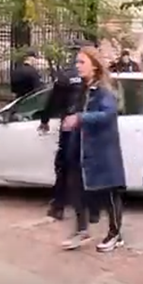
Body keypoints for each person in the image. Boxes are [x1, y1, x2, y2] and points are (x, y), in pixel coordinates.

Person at [60, 46, 126, 252]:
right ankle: (82, 230)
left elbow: (108, 114)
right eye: (76, 62)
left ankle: (115, 233)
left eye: (82, 62)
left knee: (109, 192)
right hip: (81, 148)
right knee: (77, 189)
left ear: (95, 66)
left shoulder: (103, 90)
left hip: (101, 149)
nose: (77, 66)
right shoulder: (82, 89)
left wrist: (80, 118)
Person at [42, 39, 98, 222]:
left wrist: (44, 120)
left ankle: (58, 206)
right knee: (89, 167)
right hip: (91, 125)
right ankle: (93, 211)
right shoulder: (96, 75)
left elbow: (53, 101)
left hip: (70, 126)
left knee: (64, 166)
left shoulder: (66, 76)